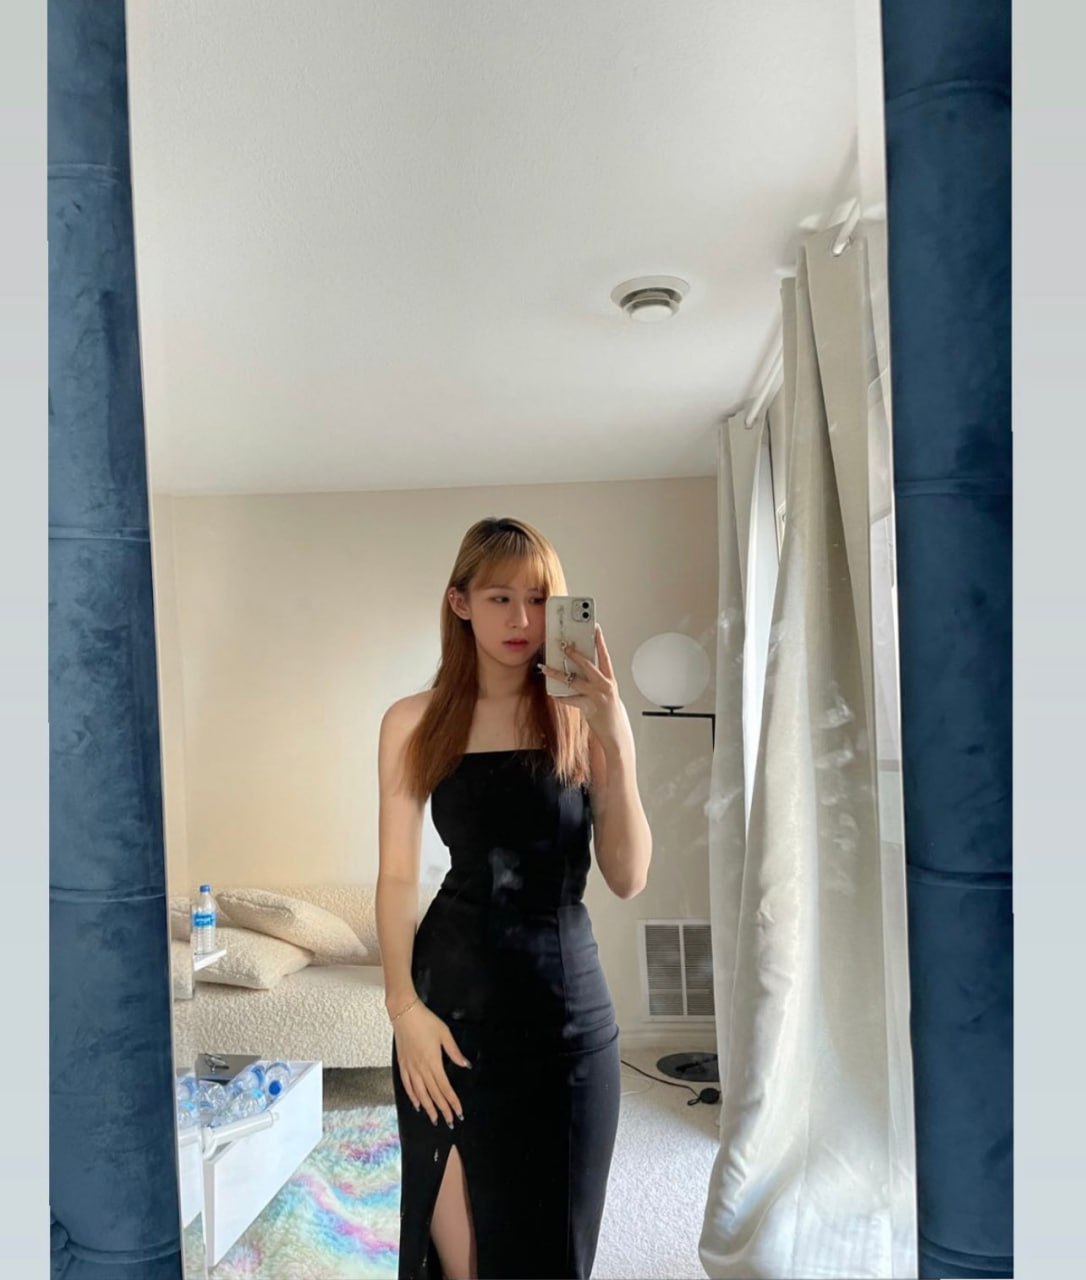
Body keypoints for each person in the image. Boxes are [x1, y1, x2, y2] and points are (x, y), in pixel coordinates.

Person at [376, 515, 653, 1280]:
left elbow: (628, 875)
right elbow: (397, 876)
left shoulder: (582, 719)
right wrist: (403, 1011)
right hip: (447, 1017)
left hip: (565, 1017)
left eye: (537, 599)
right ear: (460, 602)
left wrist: (616, 737)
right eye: (500, 598)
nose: (521, 620)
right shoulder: (413, 722)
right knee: (461, 1260)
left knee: (550, 1255)